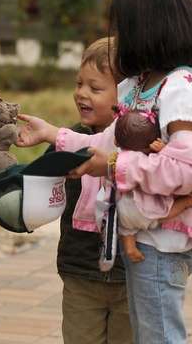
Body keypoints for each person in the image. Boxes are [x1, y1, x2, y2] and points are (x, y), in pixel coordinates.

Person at [16, 0, 192, 342]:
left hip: (165, 239)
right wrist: (53, 135)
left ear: (149, 28)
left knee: (159, 336)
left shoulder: (180, 90)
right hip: (147, 235)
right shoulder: (141, 86)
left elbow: (191, 166)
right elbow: (107, 143)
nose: (120, 37)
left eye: (125, 26)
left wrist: (114, 166)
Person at [45, 38, 132, 344]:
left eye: (95, 88)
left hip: (129, 276)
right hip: (80, 271)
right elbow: (41, 183)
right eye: (79, 83)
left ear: (127, 96)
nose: (81, 93)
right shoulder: (69, 139)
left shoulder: (137, 145)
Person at [112, 107, 192, 263]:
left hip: (123, 209)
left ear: (116, 141)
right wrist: (165, 150)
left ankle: (130, 247)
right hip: (145, 209)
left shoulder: (117, 157)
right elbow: (167, 168)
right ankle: (185, 203)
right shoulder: (148, 161)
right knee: (163, 214)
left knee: (126, 229)